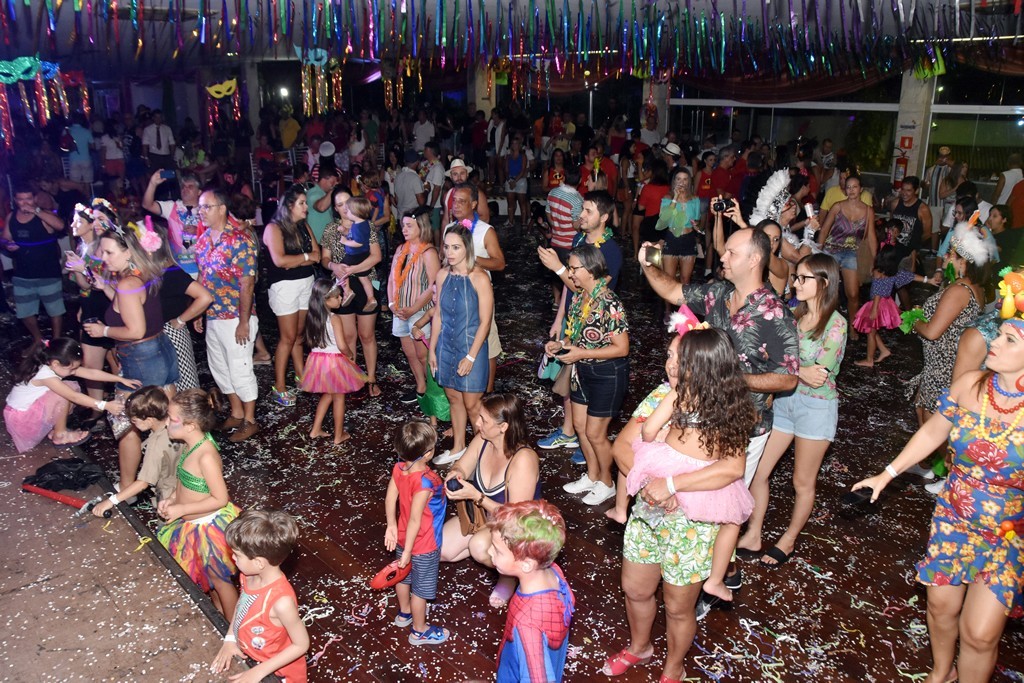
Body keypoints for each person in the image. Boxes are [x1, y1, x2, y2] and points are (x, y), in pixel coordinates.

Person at [853, 317, 1024, 683]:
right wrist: (887, 474)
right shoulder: (970, 384)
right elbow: (934, 429)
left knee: (980, 633)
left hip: (1009, 533)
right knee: (941, 607)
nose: (994, 342)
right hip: (954, 518)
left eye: (1010, 340)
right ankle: (942, 671)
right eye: (1000, 334)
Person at [603, 329, 757, 683]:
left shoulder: (725, 405)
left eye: (679, 358)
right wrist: (650, 485)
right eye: (669, 356)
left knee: (678, 605)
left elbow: (733, 468)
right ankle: (640, 647)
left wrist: (675, 489)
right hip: (648, 512)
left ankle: (674, 667)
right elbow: (624, 447)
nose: (671, 365)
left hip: (692, 524)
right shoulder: (663, 395)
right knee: (636, 589)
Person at [736, 255, 847, 567]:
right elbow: (786, 364)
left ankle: (789, 539)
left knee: (802, 481)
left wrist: (792, 371)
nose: (795, 283)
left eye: (803, 278)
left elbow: (818, 375)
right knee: (759, 469)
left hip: (815, 407)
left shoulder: (836, 324)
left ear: (823, 283)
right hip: (784, 401)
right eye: (796, 277)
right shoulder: (794, 317)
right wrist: (793, 371)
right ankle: (754, 532)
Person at [83, 221, 180, 487]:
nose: (103, 258)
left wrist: (103, 331)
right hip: (161, 350)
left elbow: (135, 330)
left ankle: (129, 487)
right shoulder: (144, 272)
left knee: (125, 425)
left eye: (109, 252)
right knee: (168, 419)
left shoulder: (127, 283)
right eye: (102, 252)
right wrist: (106, 288)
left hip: (141, 357)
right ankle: (176, 479)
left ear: (128, 252)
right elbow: (133, 305)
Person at [906, 224, 994, 493]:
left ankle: (949, 478)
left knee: (937, 422)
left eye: (950, 255)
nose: (944, 258)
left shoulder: (959, 290)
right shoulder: (969, 286)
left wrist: (913, 319)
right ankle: (934, 465)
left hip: (946, 364)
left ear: (963, 262)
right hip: (937, 363)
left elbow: (933, 332)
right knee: (923, 410)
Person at [546, 245, 629, 506]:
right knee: (581, 428)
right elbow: (574, 335)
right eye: (569, 268)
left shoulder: (609, 302)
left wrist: (580, 353)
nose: (570, 273)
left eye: (573, 268)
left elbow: (622, 348)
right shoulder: (580, 297)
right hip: (581, 371)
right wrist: (561, 345)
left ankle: (607, 482)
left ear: (591, 269)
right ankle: (592, 475)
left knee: (595, 434)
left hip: (607, 375)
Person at [441, 393, 541, 607]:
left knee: (478, 547)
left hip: (515, 527)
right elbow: (462, 465)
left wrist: (476, 496)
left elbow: (514, 517)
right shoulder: (483, 440)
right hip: (483, 518)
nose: (477, 423)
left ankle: (511, 574)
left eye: (483, 420)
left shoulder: (523, 459)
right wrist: (455, 474)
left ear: (503, 426)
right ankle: (491, 548)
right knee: (443, 550)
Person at [156, 388, 241, 618]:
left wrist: (182, 508)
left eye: (171, 419)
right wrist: (173, 498)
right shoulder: (188, 444)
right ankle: (218, 613)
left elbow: (220, 499)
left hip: (209, 526)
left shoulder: (206, 455)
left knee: (219, 580)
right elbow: (185, 480)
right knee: (206, 576)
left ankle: (232, 630)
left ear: (191, 425)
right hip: (191, 526)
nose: (166, 423)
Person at [211, 509, 309, 683]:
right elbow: (242, 607)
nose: (232, 557)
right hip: (252, 657)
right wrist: (230, 639)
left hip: (280, 672)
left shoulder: (281, 602)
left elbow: (301, 644)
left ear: (258, 563)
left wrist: (258, 672)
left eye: (237, 555)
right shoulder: (248, 576)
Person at [195, 188, 261, 442]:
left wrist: (244, 322)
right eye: (199, 207)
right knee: (220, 368)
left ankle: (250, 420)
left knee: (240, 369)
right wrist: (198, 312)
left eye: (206, 207)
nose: (201, 212)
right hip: (213, 315)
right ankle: (235, 412)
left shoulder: (240, 241)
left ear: (222, 208)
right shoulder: (202, 242)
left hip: (236, 317)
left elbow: (247, 284)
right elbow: (202, 278)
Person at [490, 500, 575, 683]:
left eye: (497, 551)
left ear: (527, 564)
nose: (489, 552)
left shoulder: (526, 622)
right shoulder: (554, 571)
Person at [428, 225, 493, 464]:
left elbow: (485, 323)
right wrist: (432, 350)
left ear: (467, 248)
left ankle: (482, 455)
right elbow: (438, 316)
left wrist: (472, 357)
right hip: (446, 346)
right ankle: (458, 447)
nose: (450, 252)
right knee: (453, 398)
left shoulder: (480, 277)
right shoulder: (442, 275)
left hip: (471, 347)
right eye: (446, 247)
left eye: (456, 247)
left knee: (472, 404)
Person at [384, 420, 450, 646]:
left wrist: (391, 525)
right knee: (420, 589)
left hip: (402, 536)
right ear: (428, 453)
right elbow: (415, 518)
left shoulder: (399, 469)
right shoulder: (426, 482)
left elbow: (391, 497)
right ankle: (420, 630)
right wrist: (409, 552)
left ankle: (404, 613)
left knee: (403, 577)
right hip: (424, 543)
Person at [4, 338, 129, 452]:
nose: (74, 372)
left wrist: (120, 379)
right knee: (64, 393)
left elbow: (91, 373)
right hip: (22, 422)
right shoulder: (45, 375)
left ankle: (57, 429)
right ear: (55, 364)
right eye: (72, 369)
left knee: (67, 388)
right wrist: (105, 405)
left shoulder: (50, 364)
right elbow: (74, 397)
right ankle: (60, 435)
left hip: (22, 415)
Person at [442, 184, 507, 395]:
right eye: (454, 201)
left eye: (461, 201)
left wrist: (471, 259)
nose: (456, 205)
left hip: (479, 294)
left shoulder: (485, 230)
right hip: (455, 293)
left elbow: (499, 263)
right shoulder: (449, 229)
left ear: (473, 204)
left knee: (487, 339)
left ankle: (486, 393)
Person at [322, 187, 384, 398]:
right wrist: (333, 266)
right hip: (342, 287)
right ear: (335, 208)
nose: (344, 207)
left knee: (366, 335)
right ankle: (352, 377)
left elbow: (376, 256)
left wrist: (352, 269)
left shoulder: (367, 225)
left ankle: (371, 379)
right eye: (339, 204)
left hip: (367, 280)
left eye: (347, 202)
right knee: (348, 336)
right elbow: (323, 258)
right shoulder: (331, 229)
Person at [262, 184, 319, 407]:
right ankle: (279, 386)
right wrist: (306, 256)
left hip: (306, 282)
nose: (307, 207)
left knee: (299, 335)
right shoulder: (274, 228)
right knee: (287, 337)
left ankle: (301, 375)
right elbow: (280, 261)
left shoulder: (303, 226)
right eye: (302, 203)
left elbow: (318, 254)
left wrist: (302, 258)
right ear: (289, 206)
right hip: (284, 286)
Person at [92, 386, 179, 518]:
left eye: (134, 421)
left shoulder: (156, 445)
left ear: (149, 420)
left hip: (168, 496)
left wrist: (111, 501)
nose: (132, 424)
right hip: (182, 487)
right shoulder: (175, 426)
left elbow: (143, 482)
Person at [301, 278, 367, 444]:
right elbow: (342, 345)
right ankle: (338, 436)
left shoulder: (311, 317)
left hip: (317, 361)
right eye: (337, 297)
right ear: (326, 300)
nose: (340, 299)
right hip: (334, 361)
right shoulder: (334, 318)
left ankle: (315, 430)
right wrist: (350, 354)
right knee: (339, 398)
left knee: (328, 395)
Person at [1, 185, 66, 344]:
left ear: (34, 199)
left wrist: (36, 210)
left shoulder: (44, 215)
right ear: (15, 200)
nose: (25, 203)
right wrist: (7, 244)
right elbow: (4, 238)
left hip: (48, 273)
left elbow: (60, 226)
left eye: (28, 199)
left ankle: (56, 343)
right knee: (24, 312)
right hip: (23, 274)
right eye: (21, 199)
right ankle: (38, 340)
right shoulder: (11, 217)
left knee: (55, 311)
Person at [390, 207, 441, 405]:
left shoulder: (428, 252)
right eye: (403, 225)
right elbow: (392, 279)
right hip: (400, 309)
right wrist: (393, 304)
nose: (404, 229)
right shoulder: (400, 250)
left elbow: (432, 285)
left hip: (419, 310)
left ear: (421, 226)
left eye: (409, 225)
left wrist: (413, 309)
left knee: (422, 354)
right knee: (410, 353)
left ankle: (432, 388)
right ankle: (420, 386)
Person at [817, 173, 877, 337]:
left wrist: (874, 261)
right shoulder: (837, 206)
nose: (851, 190)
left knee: (853, 294)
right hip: (831, 250)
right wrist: (817, 252)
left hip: (852, 253)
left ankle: (852, 326)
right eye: (848, 187)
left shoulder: (868, 211)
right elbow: (824, 230)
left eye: (854, 187)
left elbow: (871, 236)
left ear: (861, 189)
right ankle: (822, 324)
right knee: (826, 292)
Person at [853, 246, 933, 367]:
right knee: (871, 330)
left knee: (870, 331)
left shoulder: (878, 272)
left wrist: (874, 309)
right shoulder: (895, 273)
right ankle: (884, 350)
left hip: (877, 304)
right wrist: (929, 280)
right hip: (886, 303)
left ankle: (869, 360)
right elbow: (912, 276)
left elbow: (877, 292)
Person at [655, 168, 702, 318]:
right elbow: (664, 219)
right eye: (679, 179)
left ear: (689, 182)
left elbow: (697, 220)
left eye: (685, 179)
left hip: (688, 240)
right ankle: (668, 311)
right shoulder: (668, 198)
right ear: (674, 181)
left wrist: (696, 225)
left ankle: (684, 312)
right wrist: (675, 198)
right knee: (669, 278)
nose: (682, 182)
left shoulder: (694, 199)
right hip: (672, 239)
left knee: (685, 279)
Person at [142, 171, 202, 277]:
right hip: (179, 269)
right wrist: (152, 184)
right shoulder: (172, 207)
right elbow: (147, 205)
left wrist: (198, 231)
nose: (185, 189)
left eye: (190, 187)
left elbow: (219, 231)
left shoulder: (207, 209)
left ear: (199, 192)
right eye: (183, 186)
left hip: (201, 269)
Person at [338, 196, 377, 311]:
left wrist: (345, 241)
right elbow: (353, 235)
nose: (346, 212)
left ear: (356, 213)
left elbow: (359, 242)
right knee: (364, 278)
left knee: (342, 270)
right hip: (361, 256)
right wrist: (345, 231)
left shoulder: (359, 226)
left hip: (355, 255)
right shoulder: (360, 224)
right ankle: (371, 298)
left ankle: (347, 291)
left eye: (348, 210)